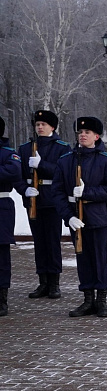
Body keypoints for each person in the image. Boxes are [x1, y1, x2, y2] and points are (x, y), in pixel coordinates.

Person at [51, 117, 107, 318]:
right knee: (83, 259)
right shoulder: (65, 161)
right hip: (76, 217)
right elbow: (56, 192)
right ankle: (87, 299)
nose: (82, 135)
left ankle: (101, 300)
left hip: (97, 217)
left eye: (87, 132)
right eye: (80, 132)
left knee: (99, 259)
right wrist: (68, 217)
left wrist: (88, 192)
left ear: (96, 136)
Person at [13, 110, 72, 300]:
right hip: (33, 200)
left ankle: (54, 283)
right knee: (39, 243)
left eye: (43, 124)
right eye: (37, 124)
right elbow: (18, 175)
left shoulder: (62, 148)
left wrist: (42, 164)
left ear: (52, 127)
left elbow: (64, 173)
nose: (40, 127)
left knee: (52, 242)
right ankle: (42, 282)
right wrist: (24, 190)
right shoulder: (25, 148)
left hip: (52, 200)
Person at [0, 117, 23, 316]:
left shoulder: (8, 154)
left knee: (1, 255)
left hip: (1, 205)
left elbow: (13, 172)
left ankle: (2, 297)